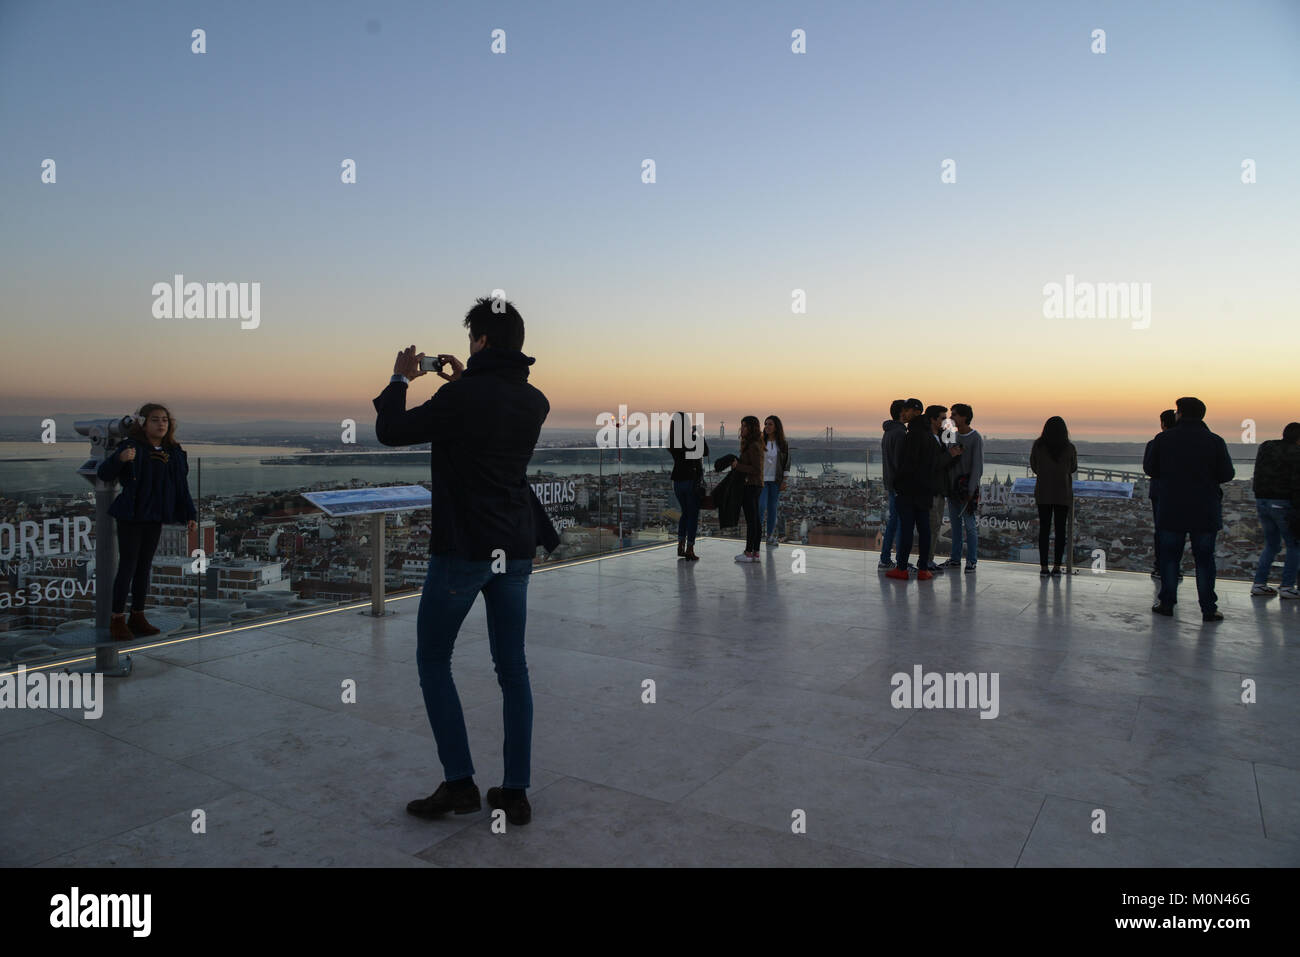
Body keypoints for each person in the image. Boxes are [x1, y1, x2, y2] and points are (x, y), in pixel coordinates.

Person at [374, 296, 556, 827]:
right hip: (515, 547)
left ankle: (459, 784)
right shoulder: (535, 400)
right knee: (513, 669)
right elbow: (487, 418)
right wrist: (460, 382)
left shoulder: (466, 396)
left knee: (434, 661)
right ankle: (515, 792)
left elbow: (393, 431)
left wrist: (401, 378)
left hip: (463, 548)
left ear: (477, 339)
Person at [95, 403, 197, 641]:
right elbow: (104, 474)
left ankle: (137, 615)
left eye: (164, 420)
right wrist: (120, 459)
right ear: (143, 423)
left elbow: (181, 487)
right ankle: (117, 618)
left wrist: (190, 514)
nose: (161, 424)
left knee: (144, 568)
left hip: (155, 515)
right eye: (155, 420)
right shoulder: (131, 447)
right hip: (132, 514)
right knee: (128, 566)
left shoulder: (174, 451)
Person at [1144, 396, 1235, 621]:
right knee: (1205, 559)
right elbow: (1227, 474)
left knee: (1169, 558)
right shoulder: (1215, 441)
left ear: (1181, 414)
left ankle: (1166, 603)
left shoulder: (1163, 439)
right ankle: (1208, 608)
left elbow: (1150, 468)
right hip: (1204, 508)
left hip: (1170, 507)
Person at [888, 405, 948, 581]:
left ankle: (901, 568)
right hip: (926, 490)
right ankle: (923, 568)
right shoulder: (931, 437)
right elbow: (934, 463)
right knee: (925, 529)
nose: (904, 413)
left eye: (907, 411)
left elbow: (905, 465)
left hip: (908, 490)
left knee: (906, 530)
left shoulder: (911, 436)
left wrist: (898, 485)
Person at [1250, 422, 1300, 599]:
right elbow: (1296, 483)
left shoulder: (1266, 447)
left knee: (1272, 544)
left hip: (1262, 500)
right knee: (1294, 545)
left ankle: (1259, 583)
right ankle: (1287, 586)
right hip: (1283, 503)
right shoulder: (1296, 453)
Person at [1029, 416, 1077, 576]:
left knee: (1044, 530)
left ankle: (1043, 567)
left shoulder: (1038, 446)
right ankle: (1057, 567)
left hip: (1043, 492)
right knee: (1060, 530)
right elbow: (1073, 468)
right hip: (1062, 493)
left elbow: (1034, 466)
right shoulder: (1069, 448)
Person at [944, 403, 983, 573]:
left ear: (964, 417)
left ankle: (972, 560)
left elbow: (977, 466)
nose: (951, 417)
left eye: (954, 415)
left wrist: (971, 489)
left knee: (969, 525)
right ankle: (955, 558)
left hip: (966, 488)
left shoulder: (976, 438)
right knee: (955, 524)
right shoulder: (950, 434)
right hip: (952, 487)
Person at [879, 399, 915, 570]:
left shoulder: (888, 432)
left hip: (891, 483)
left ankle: (885, 558)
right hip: (900, 485)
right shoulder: (900, 434)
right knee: (901, 523)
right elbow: (902, 462)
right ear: (902, 412)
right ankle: (900, 561)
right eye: (907, 410)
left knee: (894, 522)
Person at [668, 411, 709, 561]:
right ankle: (690, 548)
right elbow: (705, 451)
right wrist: (699, 434)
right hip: (691, 481)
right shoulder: (691, 439)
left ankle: (680, 544)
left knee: (685, 513)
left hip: (677, 481)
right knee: (693, 515)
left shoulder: (671, 441)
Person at [1145, 409, 1177, 580]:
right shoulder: (1185, 443)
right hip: (1181, 492)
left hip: (1159, 491)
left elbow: (1148, 468)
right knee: (1178, 530)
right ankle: (1175, 567)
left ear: (1163, 423)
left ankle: (1160, 566)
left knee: (1161, 530)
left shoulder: (1154, 442)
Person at [731, 415, 764, 562]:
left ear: (751, 428)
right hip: (755, 485)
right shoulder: (756, 443)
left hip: (751, 484)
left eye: (744, 426)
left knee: (752, 521)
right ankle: (755, 553)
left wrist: (738, 466)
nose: (741, 429)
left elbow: (756, 469)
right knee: (755, 520)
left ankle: (749, 552)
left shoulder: (753, 445)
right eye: (741, 426)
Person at [758, 415, 791, 547]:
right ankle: (757, 534)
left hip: (776, 480)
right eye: (765, 424)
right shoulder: (760, 442)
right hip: (762, 480)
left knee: (772, 508)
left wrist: (784, 480)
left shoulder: (783, 443)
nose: (767, 426)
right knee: (761, 506)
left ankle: (770, 536)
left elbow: (787, 462)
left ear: (776, 426)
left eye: (770, 424)